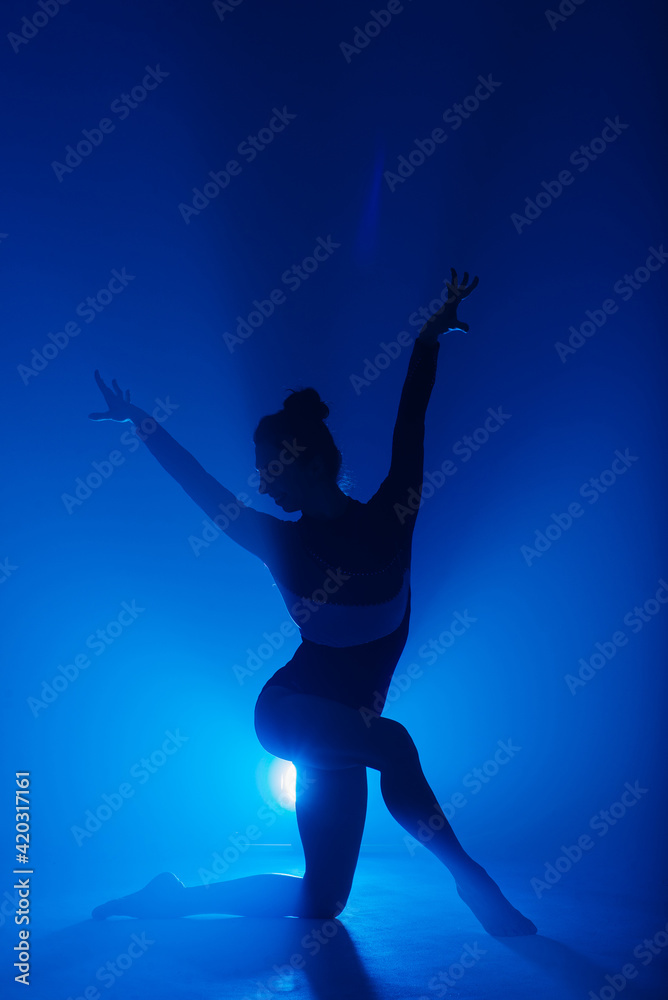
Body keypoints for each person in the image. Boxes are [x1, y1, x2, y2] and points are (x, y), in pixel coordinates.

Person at [89, 269, 536, 936]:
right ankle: (473, 882)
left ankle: (171, 897)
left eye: (269, 465)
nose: (262, 483)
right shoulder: (277, 542)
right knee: (397, 744)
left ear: (304, 460)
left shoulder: (392, 514)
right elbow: (201, 487)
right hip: (292, 713)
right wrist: (139, 420)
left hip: (346, 734)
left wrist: (429, 337)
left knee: (321, 903)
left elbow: (412, 420)